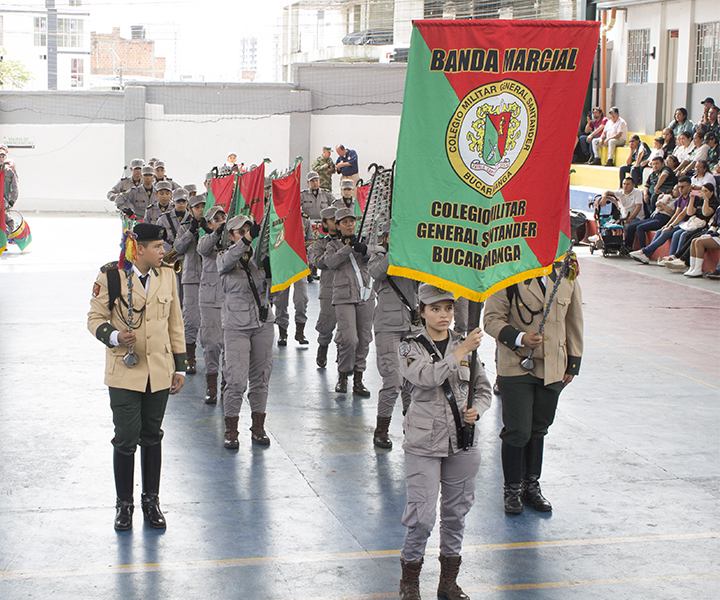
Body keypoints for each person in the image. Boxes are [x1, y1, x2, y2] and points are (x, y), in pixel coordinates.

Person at [87, 223, 186, 530]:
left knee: (152, 436)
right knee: (126, 439)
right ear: (139, 249)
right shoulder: (112, 275)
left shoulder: (167, 274)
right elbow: (94, 319)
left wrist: (180, 366)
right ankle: (124, 504)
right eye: (157, 247)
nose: (163, 252)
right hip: (125, 371)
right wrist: (115, 336)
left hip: (159, 370)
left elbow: (175, 321)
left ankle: (151, 501)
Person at [397, 284, 491, 600]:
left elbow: (483, 388)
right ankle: (409, 581)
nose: (444, 315)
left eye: (448, 308)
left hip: (461, 443)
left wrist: (477, 409)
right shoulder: (409, 347)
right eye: (435, 309)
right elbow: (427, 377)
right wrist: (460, 352)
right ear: (422, 311)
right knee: (421, 517)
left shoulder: (467, 346)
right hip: (424, 443)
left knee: (456, 514)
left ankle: (448, 583)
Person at [483, 257, 583, 515]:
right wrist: (520, 338)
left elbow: (574, 320)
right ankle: (512, 489)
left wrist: (572, 363)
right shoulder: (507, 272)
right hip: (516, 364)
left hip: (553, 366)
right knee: (518, 430)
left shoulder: (565, 274)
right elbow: (492, 319)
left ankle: (532, 486)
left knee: (539, 428)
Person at [217, 215, 274, 449]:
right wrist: (247, 241)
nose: (246, 234)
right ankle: (231, 429)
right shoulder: (224, 257)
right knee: (236, 380)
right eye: (240, 232)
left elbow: (274, 290)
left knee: (261, 378)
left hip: (262, 323)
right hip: (237, 326)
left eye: (249, 230)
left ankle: (258, 427)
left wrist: (273, 269)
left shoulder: (259, 258)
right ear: (231, 236)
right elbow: (228, 261)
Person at [368, 221, 419, 449]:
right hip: (387, 325)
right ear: (386, 238)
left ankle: (411, 428)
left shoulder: (411, 257)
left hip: (411, 326)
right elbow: (376, 273)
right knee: (392, 380)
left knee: (412, 379)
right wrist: (395, 252)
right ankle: (382, 430)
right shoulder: (378, 256)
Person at [323, 207, 374, 396]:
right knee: (348, 339)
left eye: (352, 221)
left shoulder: (365, 240)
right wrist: (348, 248)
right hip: (344, 296)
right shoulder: (333, 245)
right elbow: (330, 262)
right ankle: (343, 375)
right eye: (344, 222)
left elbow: (378, 253)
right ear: (337, 225)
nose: (349, 224)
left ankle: (359, 379)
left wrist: (365, 249)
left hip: (365, 295)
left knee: (364, 338)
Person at [197, 206, 227, 404]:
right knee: (211, 343)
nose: (221, 221)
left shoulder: (232, 240)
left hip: (231, 298)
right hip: (209, 298)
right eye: (216, 219)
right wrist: (217, 233)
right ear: (209, 224)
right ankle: (211, 383)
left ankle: (227, 384)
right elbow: (203, 249)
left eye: (223, 217)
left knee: (230, 345)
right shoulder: (206, 240)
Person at [172, 195, 206, 375]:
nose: (200, 209)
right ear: (190, 209)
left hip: (211, 278)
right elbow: (178, 247)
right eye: (197, 207)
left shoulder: (213, 225)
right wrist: (190, 232)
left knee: (212, 322)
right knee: (191, 319)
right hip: (191, 276)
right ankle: (189, 357)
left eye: (203, 206)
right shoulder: (185, 226)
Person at [631, 177, 694, 263]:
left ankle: (646, 252)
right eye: (679, 187)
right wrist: (668, 225)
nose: (680, 189)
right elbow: (676, 214)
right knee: (659, 231)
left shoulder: (691, 197)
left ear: (689, 186)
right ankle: (647, 254)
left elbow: (682, 214)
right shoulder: (681, 198)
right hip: (680, 223)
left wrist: (671, 226)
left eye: (683, 186)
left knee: (668, 233)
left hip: (687, 223)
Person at [312, 207, 339, 368]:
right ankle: (323, 346)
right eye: (332, 220)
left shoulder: (350, 241)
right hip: (329, 287)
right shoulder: (321, 243)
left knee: (346, 327)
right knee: (327, 322)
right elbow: (319, 262)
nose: (336, 223)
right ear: (324, 224)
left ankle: (343, 359)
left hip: (349, 288)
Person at [684, 198, 720, 277]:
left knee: (699, 242)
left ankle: (698, 269)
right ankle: (692, 267)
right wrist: (709, 233)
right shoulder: (719, 208)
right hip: (717, 234)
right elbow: (714, 224)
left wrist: (714, 234)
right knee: (694, 240)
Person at [1, 144, 19, 233]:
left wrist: (12, 200)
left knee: (7, 221)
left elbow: (15, 186)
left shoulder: (9, 170)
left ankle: (5, 239)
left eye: (3, 156)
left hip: (5, 202)